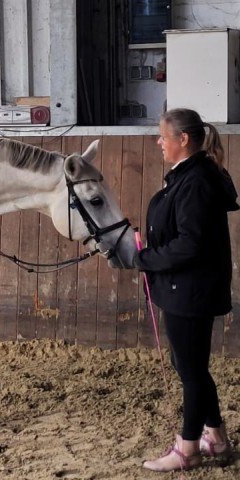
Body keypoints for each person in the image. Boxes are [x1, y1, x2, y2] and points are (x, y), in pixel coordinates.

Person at [134, 108, 236, 472]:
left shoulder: (195, 181)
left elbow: (191, 243)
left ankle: (188, 447)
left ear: (183, 140)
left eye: (163, 136)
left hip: (190, 289)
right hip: (185, 287)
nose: (158, 142)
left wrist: (145, 258)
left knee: (191, 370)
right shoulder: (189, 175)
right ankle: (217, 437)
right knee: (187, 364)